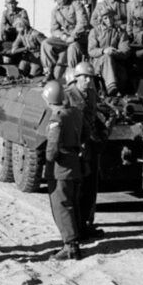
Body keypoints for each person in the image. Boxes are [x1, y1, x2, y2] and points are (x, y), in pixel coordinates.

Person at [42, 80, 85, 260]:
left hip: (61, 166)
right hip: (75, 162)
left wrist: (49, 160)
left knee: (61, 205)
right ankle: (74, 240)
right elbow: (87, 133)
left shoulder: (57, 117)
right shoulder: (75, 113)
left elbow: (52, 145)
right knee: (71, 203)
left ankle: (70, 246)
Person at [64, 62, 105, 240]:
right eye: (85, 77)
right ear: (77, 77)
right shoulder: (69, 95)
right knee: (75, 190)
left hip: (90, 145)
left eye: (91, 78)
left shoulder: (92, 94)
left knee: (90, 187)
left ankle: (86, 224)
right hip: (75, 148)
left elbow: (94, 116)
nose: (88, 81)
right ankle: (75, 230)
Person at [40, 0, 90, 80]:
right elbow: (54, 29)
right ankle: (48, 72)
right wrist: (62, 36)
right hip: (65, 38)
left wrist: (73, 36)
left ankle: (73, 75)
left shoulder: (76, 4)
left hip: (79, 37)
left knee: (73, 48)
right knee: (46, 43)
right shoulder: (55, 11)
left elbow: (82, 23)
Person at [87, 8, 131, 95]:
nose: (109, 20)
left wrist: (115, 52)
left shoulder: (120, 32)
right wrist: (104, 51)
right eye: (105, 18)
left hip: (116, 62)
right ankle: (111, 86)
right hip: (98, 64)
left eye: (110, 17)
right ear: (101, 19)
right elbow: (91, 50)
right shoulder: (95, 31)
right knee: (106, 57)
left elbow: (125, 50)